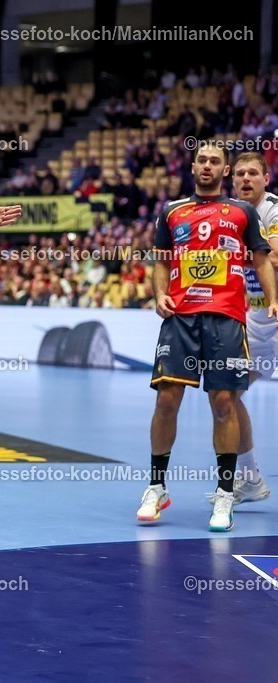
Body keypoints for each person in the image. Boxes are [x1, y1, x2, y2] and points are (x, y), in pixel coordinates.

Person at [138, 140, 277, 532]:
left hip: (227, 319)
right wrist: (159, 293)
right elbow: (161, 261)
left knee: (224, 404)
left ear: (224, 171)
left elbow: (262, 259)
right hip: (180, 318)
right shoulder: (171, 212)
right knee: (167, 400)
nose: (208, 165)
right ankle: (156, 486)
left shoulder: (243, 212)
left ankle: (226, 493)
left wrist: (274, 299)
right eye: (202, 159)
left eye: (216, 161)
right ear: (193, 165)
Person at [203, 151, 278, 505]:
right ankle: (249, 479)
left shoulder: (272, 210)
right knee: (225, 395)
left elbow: (274, 256)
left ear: (266, 179)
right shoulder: (231, 214)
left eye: (254, 173)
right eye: (241, 174)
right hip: (253, 323)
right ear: (232, 179)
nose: (247, 179)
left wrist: (235, 253)